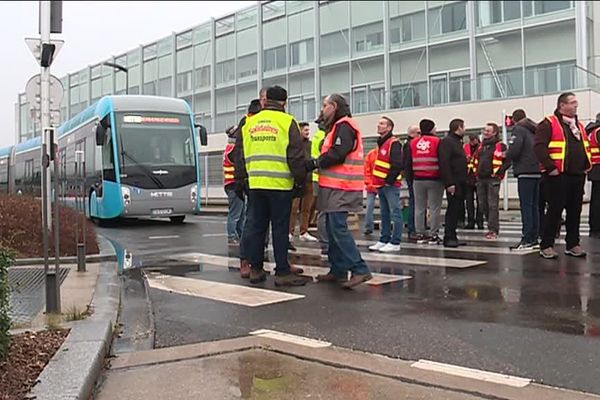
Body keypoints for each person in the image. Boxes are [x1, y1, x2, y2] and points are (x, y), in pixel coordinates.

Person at [234, 85, 307, 286]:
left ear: (266, 101)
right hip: (280, 184)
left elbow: (239, 154)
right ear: (284, 102)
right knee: (280, 229)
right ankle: (282, 270)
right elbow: (295, 155)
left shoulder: (249, 123)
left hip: (255, 184)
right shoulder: (288, 122)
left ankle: (256, 269)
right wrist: (300, 181)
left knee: (257, 227)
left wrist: (241, 181)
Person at [305, 94, 372, 288]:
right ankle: (338, 269)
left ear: (334, 106)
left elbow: (338, 154)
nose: (322, 109)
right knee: (330, 228)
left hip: (342, 186)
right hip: (333, 186)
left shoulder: (345, 125)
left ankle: (360, 269)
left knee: (337, 228)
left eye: (325, 105)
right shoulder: (337, 126)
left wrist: (315, 163)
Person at [534, 92, 593, 259]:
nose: (576, 105)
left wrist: (585, 167)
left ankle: (573, 244)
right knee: (555, 210)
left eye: (576, 103)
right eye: (572, 102)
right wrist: (550, 167)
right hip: (557, 175)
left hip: (577, 175)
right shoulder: (549, 123)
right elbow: (539, 147)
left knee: (575, 211)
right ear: (562, 106)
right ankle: (546, 245)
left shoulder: (578, 126)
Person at [505, 109, 541, 250]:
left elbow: (515, 150)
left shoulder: (518, 130)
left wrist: (506, 153)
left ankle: (527, 238)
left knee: (526, 206)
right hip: (536, 171)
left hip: (525, 171)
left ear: (514, 119)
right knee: (535, 206)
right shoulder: (534, 130)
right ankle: (535, 237)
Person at [405, 119, 445, 245]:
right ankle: (433, 235)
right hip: (435, 179)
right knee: (434, 208)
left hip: (418, 179)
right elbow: (442, 159)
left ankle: (420, 234)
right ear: (432, 129)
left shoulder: (413, 143)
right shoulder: (438, 141)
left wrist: (410, 179)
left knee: (419, 207)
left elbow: (408, 162)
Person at [368, 116, 404, 253]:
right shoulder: (382, 143)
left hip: (390, 185)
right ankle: (384, 239)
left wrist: (389, 181)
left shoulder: (393, 143)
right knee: (384, 214)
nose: (378, 125)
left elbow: (397, 164)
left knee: (395, 212)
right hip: (381, 184)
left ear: (389, 128)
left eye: (382, 124)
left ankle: (395, 241)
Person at [474, 122, 510, 240]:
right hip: (481, 179)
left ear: (494, 132)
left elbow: (508, 161)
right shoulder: (481, 146)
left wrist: (499, 172)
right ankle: (491, 225)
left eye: (488, 131)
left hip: (493, 179)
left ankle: (493, 229)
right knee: (482, 205)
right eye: (484, 130)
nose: (485, 132)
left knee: (492, 205)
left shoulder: (500, 146)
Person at [439, 118, 468, 248]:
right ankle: (449, 237)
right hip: (454, 182)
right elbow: (444, 163)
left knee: (457, 210)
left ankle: (453, 236)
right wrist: (449, 183)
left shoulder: (457, 142)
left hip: (461, 181)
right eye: (464, 127)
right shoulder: (448, 142)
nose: (465, 130)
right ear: (459, 128)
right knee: (452, 209)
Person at [289, 122, 318, 242]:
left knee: (307, 207)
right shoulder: (294, 145)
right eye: (305, 130)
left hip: (309, 179)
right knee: (293, 208)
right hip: (296, 179)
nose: (307, 132)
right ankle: (289, 231)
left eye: (308, 130)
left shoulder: (311, 145)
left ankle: (304, 231)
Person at [310, 115, 329, 257]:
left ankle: (325, 244)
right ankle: (326, 244)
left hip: (317, 177)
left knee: (322, 211)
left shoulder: (317, 136)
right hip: (324, 178)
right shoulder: (324, 137)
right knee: (324, 212)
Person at [223, 125, 245, 245]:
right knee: (236, 214)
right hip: (233, 184)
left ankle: (239, 234)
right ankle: (232, 236)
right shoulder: (233, 150)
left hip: (232, 184)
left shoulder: (229, 148)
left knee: (240, 213)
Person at [403, 125, 420, 240]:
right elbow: (408, 163)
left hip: (412, 176)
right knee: (414, 202)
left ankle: (414, 227)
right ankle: (412, 229)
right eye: (418, 132)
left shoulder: (408, 144)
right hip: (413, 177)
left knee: (415, 202)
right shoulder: (410, 145)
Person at [463, 134, 483, 230]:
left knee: (480, 202)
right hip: (468, 178)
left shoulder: (481, 148)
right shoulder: (466, 148)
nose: (472, 142)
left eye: (473, 140)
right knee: (469, 202)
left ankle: (480, 221)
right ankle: (471, 221)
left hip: (478, 177)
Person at [585, 112, 600, 238]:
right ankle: (596, 228)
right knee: (597, 200)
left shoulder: (591, 132)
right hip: (598, 167)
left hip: (594, 168)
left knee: (595, 199)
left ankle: (594, 227)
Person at [363, 147, 378, 236]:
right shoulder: (372, 154)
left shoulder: (371, 154)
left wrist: (369, 183)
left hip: (373, 184)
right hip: (378, 184)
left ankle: (368, 227)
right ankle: (369, 227)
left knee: (369, 207)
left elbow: (367, 171)